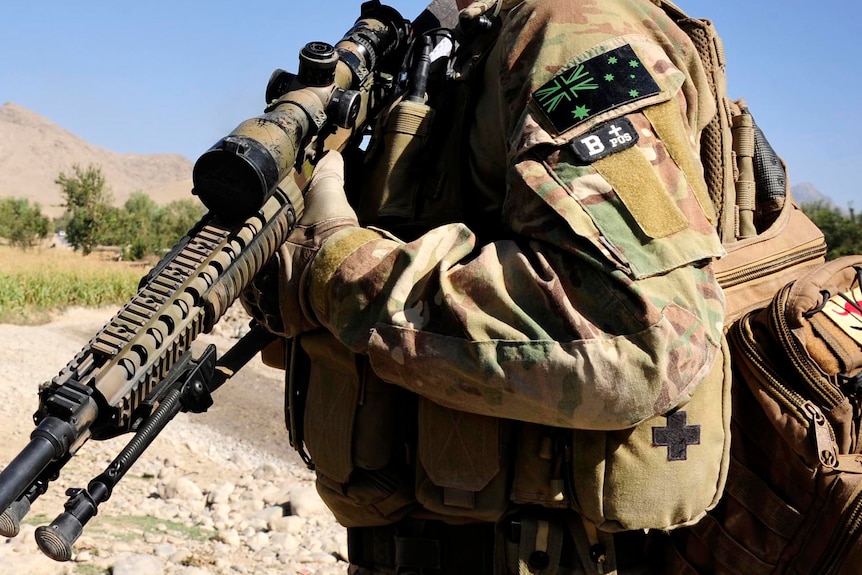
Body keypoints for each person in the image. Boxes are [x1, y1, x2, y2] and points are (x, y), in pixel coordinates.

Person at [241, 0, 731, 573]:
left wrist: (337, 272)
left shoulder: (571, 29)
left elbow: (639, 335)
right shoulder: (471, 38)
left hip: (534, 553)